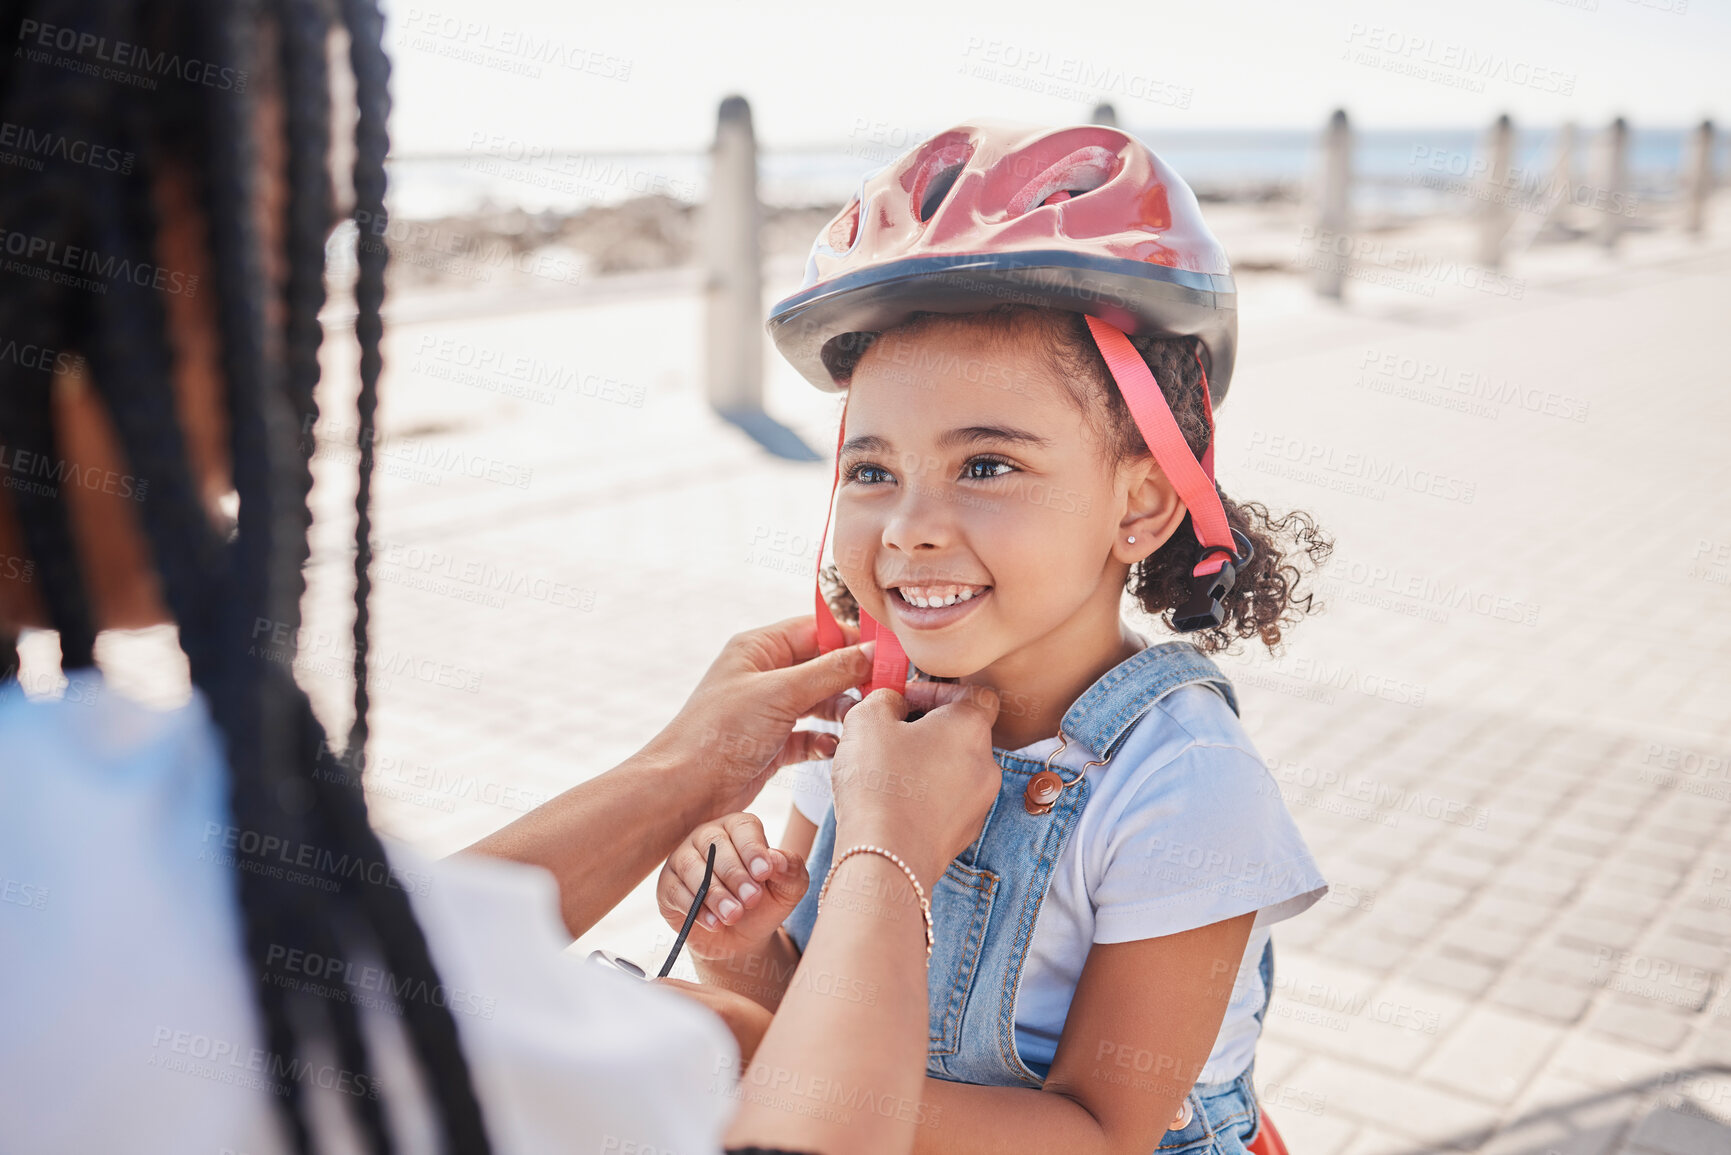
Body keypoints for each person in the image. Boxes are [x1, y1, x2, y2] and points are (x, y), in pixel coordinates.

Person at [0, 2, 1003, 1152]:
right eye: (273, 256)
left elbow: (362, 956)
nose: (279, 370)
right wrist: (888, 853)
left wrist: (688, 773)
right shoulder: (116, 901)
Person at [655, 122, 1333, 1154]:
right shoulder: (854, 725)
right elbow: (817, 1011)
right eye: (873, 471)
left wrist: (756, 1054)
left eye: (985, 467)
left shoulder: (1185, 785)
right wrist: (742, 953)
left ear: (1141, 507)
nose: (909, 524)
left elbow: (1103, 1135)